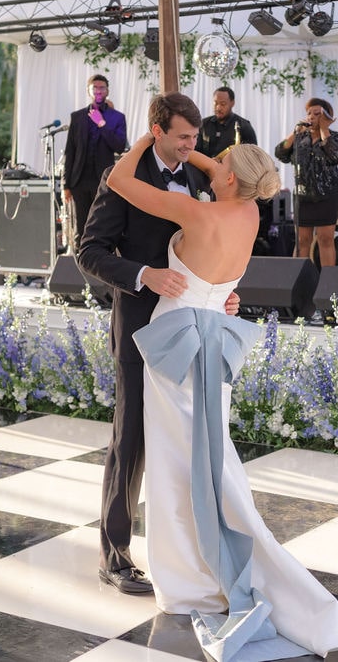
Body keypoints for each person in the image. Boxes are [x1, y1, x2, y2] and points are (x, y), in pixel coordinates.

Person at [106, 135, 338, 661]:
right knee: (212, 457)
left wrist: (153, 135)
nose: (204, 161)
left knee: (176, 462)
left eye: (215, 162)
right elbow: (232, 183)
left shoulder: (196, 214)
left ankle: (190, 578)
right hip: (215, 338)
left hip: (175, 343)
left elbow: (119, 181)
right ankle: (210, 560)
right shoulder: (249, 217)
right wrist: (191, 147)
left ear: (229, 178)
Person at [77, 92, 222, 596]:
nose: (191, 145)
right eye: (182, 136)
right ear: (156, 130)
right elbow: (88, 252)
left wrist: (223, 289)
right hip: (141, 323)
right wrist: (144, 275)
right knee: (131, 437)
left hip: (194, 322)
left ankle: (191, 554)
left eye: (195, 137)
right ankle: (114, 555)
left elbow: (216, 242)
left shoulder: (201, 177)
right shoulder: (124, 179)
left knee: (190, 437)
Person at [275, 98, 338, 268]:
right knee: (301, 240)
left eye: (317, 114)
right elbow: (280, 152)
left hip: (327, 194)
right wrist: (294, 132)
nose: (312, 117)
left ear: (327, 117)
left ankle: (328, 284)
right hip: (303, 195)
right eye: (309, 113)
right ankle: (297, 282)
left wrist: (324, 129)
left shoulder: (334, 136)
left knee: (325, 239)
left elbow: (336, 156)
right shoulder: (299, 138)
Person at [63, 74, 128, 252]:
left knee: (101, 223)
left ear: (107, 91)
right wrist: (66, 184)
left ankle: (100, 260)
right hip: (79, 180)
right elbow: (70, 151)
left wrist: (102, 124)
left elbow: (120, 146)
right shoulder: (77, 117)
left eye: (102, 88)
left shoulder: (117, 117)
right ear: (89, 91)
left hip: (103, 180)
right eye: (95, 88)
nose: (98, 91)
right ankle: (79, 261)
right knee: (80, 225)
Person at [195, 86, 258, 159]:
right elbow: (194, 151)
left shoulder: (244, 126)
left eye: (223, 104)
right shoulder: (204, 124)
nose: (218, 108)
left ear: (232, 103)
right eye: (215, 103)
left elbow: (252, 156)